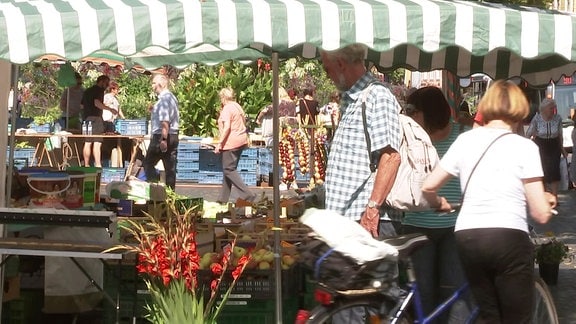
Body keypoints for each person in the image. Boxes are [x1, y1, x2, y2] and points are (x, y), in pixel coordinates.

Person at [422, 80, 556, 324]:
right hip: (508, 237)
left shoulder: (464, 140)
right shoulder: (524, 146)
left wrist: (439, 202)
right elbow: (540, 213)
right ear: (519, 109)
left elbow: (428, 185)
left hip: (468, 236)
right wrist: (548, 200)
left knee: (489, 315)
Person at [321, 43, 403, 324]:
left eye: (327, 67)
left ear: (342, 63)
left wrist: (372, 209)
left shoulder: (376, 96)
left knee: (359, 309)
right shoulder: (351, 99)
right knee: (350, 307)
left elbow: (390, 157)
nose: (327, 73)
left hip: (365, 222)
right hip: (349, 223)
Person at [400, 87, 468, 322]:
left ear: (428, 112)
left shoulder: (463, 136)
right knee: (424, 294)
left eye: (413, 111)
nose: (410, 116)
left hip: (454, 228)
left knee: (452, 291)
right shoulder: (411, 137)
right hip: (417, 226)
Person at [214, 87, 256, 203]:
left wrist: (220, 143)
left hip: (231, 142)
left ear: (223, 97)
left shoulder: (227, 108)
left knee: (228, 169)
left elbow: (227, 127)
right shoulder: (237, 106)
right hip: (241, 140)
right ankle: (222, 199)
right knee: (229, 170)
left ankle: (248, 194)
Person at [143, 74, 180, 190]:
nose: (152, 85)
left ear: (161, 84)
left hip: (162, 135)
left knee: (148, 164)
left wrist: (163, 139)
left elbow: (165, 122)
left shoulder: (164, 100)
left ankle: (155, 190)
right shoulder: (172, 97)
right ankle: (170, 195)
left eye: (154, 83)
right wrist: (154, 110)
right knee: (170, 168)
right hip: (173, 134)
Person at [526, 98, 567, 199]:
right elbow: (528, 134)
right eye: (551, 108)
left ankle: (554, 196)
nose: (553, 110)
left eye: (554, 108)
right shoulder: (537, 118)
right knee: (542, 170)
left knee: (554, 169)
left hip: (554, 145)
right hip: (541, 145)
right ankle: (544, 196)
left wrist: (562, 149)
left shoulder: (558, 118)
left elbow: (560, 135)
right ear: (544, 109)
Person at [81, 75, 116, 167]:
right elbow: (97, 103)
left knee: (87, 142)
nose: (107, 85)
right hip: (96, 118)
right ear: (101, 82)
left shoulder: (87, 91)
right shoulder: (99, 90)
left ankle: (87, 165)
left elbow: (81, 105)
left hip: (86, 119)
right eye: (106, 83)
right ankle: (98, 165)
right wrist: (110, 109)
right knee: (97, 143)